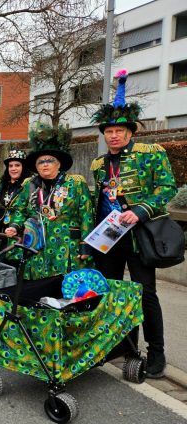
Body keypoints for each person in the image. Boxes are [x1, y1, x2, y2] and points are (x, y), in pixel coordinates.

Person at [89, 70, 177, 378]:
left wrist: (140, 210)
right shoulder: (99, 164)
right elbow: (98, 200)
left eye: (119, 130)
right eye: (109, 131)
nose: (113, 135)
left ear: (130, 132)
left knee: (144, 293)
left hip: (139, 235)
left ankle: (156, 351)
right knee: (112, 291)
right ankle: (123, 345)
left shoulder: (151, 154)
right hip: (109, 237)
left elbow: (167, 189)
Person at [10, 123, 94, 280]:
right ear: (36, 166)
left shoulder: (75, 183)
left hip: (68, 247)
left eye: (50, 160)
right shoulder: (30, 184)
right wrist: (15, 226)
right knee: (40, 290)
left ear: (59, 164)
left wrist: (86, 246)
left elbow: (87, 216)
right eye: (41, 162)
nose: (45, 164)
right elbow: (19, 210)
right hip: (38, 248)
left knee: (67, 291)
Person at [0, 149, 31, 264]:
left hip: (15, 235)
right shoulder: (0, 185)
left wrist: (15, 226)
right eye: (10, 166)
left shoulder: (28, 186)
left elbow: (25, 210)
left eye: (17, 165)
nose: (13, 168)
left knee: (10, 268)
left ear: (23, 167)